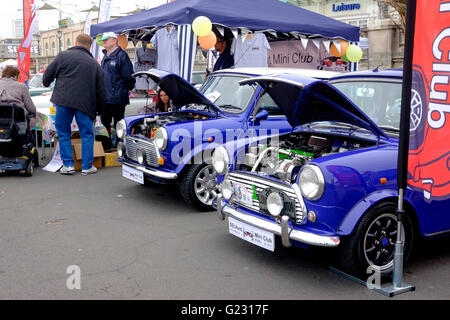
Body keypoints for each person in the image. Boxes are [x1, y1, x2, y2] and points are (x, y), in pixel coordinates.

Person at [43, 33, 106, 175]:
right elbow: (102, 90)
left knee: (63, 132)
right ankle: (86, 166)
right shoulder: (95, 64)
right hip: (85, 104)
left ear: (76, 43)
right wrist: (99, 110)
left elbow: (47, 75)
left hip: (63, 101)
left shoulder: (63, 56)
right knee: (87, 134)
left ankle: (68, 165)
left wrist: (47, 83)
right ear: (89, 47)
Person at [100, 32, 135, 142]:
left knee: (119, 126)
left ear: (114, 40)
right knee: (104, 126)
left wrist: (124, 89)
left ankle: (119, 150)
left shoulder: (122, 56)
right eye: (103, 39)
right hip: (105, 98)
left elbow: (129, 77)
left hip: (117, 98)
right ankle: (105, 149)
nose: (104, 41)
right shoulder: (105, 56)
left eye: (106, 39)